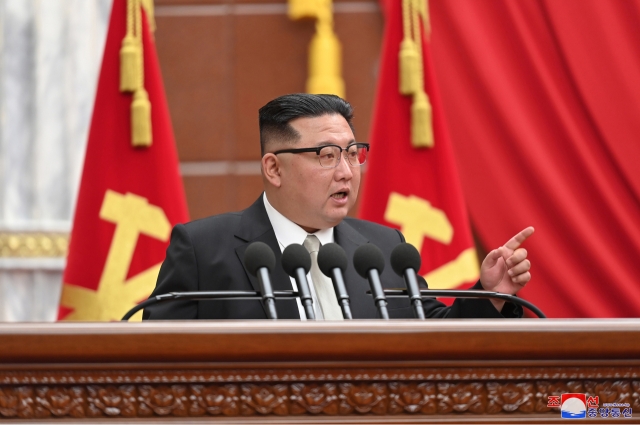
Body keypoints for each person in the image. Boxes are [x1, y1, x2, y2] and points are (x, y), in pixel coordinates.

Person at [143, 94, 533, 320]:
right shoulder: (202, 249)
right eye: (327, 156)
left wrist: (491, 293)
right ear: (274, 168)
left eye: (352, 153)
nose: (347, 171)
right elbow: (160, 362)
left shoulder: (380, 249)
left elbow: (436, 336)